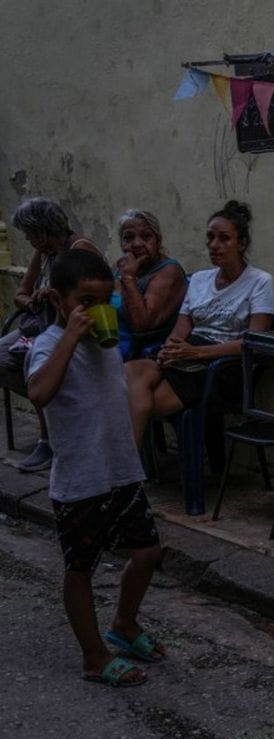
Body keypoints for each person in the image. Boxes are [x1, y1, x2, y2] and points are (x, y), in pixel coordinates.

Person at [26, 248, 164, 687]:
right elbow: (38, 394)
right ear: (59, 300)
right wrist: (69, 335)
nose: (97, 311)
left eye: (104, 301)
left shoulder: (106, 344)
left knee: (147, 552)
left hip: (120, 472)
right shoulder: (50, 345)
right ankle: (94, 656)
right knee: (80, 568)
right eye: (86, 302)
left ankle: (124, 623)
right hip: (81, 482)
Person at [125, 200, 274, 446]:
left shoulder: (259, 282)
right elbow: (180, 329)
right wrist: (169, 350)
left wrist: (197, 353)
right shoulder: (199, 280)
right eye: (210, 238)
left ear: (241, 243)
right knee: (130, 372)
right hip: (188, 356)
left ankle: (128, 465)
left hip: (223, 365)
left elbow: (253, 342)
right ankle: (129, 464)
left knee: (143, 404)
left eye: (224, 238)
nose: (214, 245)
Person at [2, 197, 102, 472]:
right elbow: (21, 294)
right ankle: (57, 411)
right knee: (3, 355)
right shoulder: (44, 253)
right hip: (42, 323)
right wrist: (33, 300)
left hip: (75, 327)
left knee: (35, 360)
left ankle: (49, 438)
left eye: (29, 233)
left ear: (43, 230)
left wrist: (56, 298)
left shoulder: (80, 250)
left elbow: (91, 299)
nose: (27, 239)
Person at [111, 209, 187, 360]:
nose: (137, 244)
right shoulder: (120, 268)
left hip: (144, 353)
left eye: (146, 237)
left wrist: (129, 278)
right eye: (128, 238)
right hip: (110, 346)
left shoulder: (169, 271)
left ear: (158, 241)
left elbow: (142, 325)